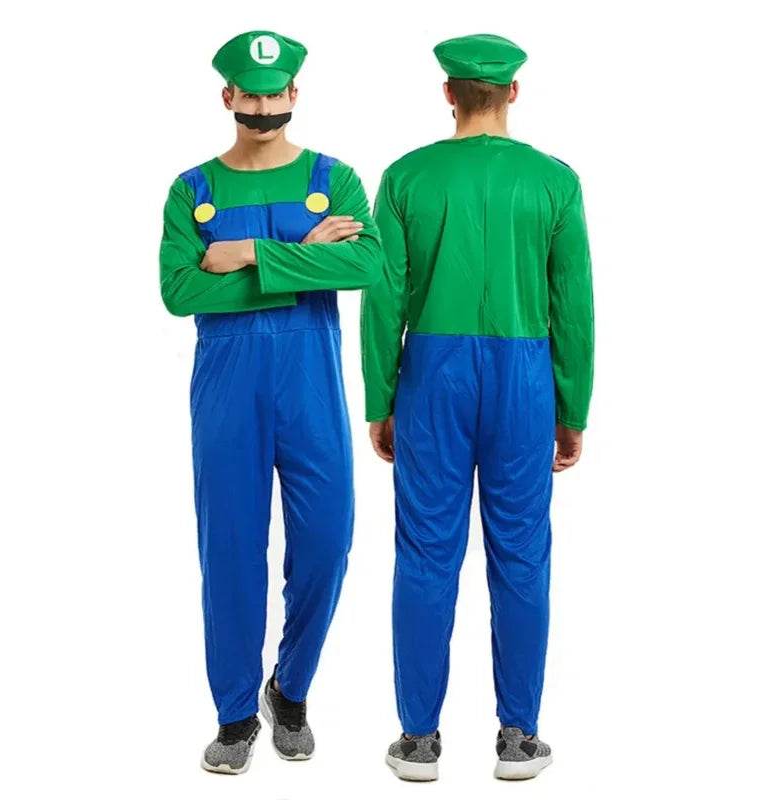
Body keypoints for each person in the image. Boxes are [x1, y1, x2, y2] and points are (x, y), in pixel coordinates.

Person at [360, 33, 594, 782]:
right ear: (513, 93)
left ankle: (418, 740)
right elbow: (574, 304)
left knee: (425, 552)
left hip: (432, 375)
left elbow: (382, 298)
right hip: (525, 375)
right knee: (521, 551)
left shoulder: (405, 177)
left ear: (448, 94)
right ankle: (519, 736)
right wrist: (573, 408)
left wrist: (380, 397)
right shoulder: (554, 181)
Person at [159, 29, 381, 774]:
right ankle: (233, 715)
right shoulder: (192, 190)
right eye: (249, 97)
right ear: (228, 96)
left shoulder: (334, 177)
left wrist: (247, 254)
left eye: (273, 95)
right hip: (227, 390)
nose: (262, 110)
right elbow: (180, 290)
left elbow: (366, 264)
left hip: (310, 386)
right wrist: (304, 258)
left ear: (294, 94)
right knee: (229, 551)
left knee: (326, 543)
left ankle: (290, 686)